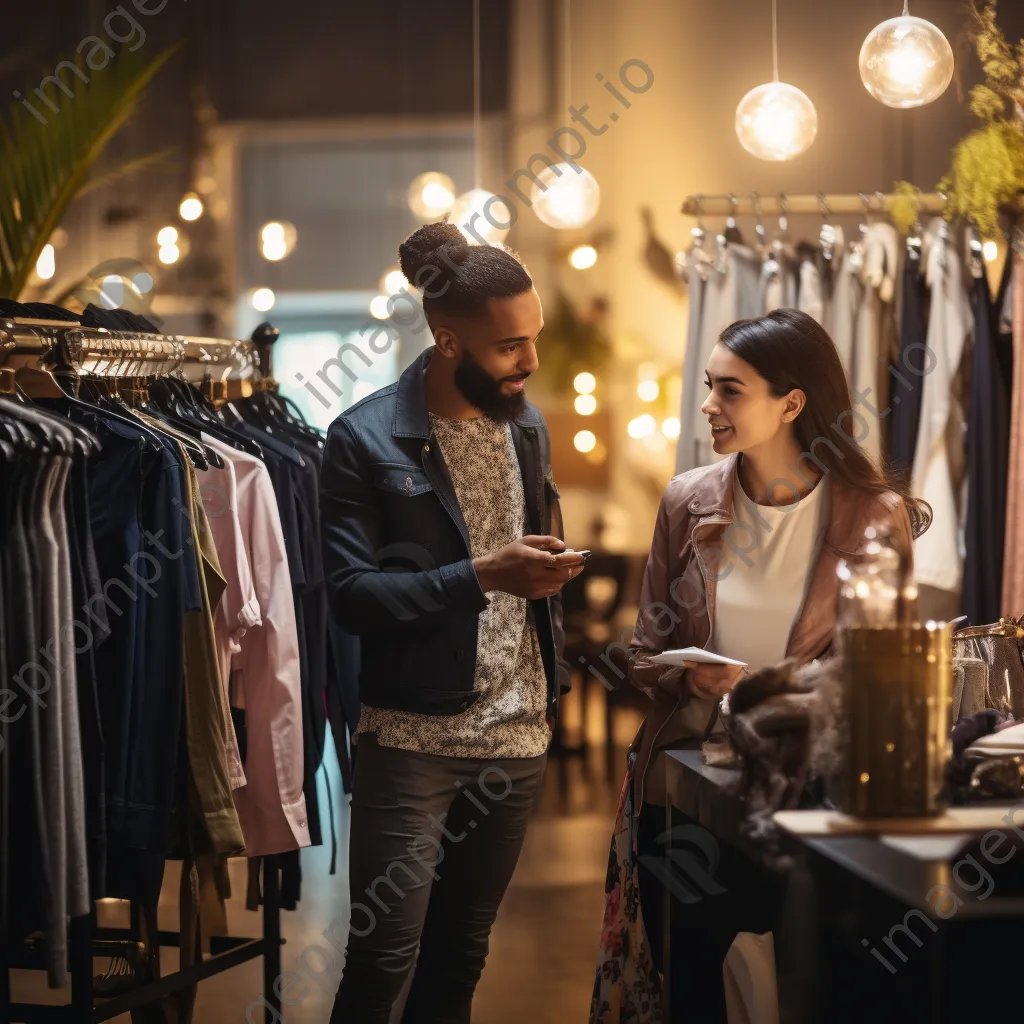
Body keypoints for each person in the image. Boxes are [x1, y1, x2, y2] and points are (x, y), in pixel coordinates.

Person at [590, 309, 929, 1023]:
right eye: (710, 387)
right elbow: (642, 650)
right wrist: (687, 673)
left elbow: (888, 678)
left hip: (814, 799)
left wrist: (780, 692)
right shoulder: (688, 501)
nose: (708, 405)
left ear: (792, 403)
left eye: (730, 390)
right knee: (692, 993)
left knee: (826, 989)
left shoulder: (875, 516)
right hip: (690, 789)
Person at [320, 221, 583, 1023]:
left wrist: (544, 576)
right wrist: (480, 575)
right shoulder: (363, 439)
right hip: (411, 742)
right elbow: (351, 595)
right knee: (381, 958)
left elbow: (523, 553)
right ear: (446, 341)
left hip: (517, 739)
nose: (529, 362)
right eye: (509, 347)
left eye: (533, 339)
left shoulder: (527, 426)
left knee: (460, 958)